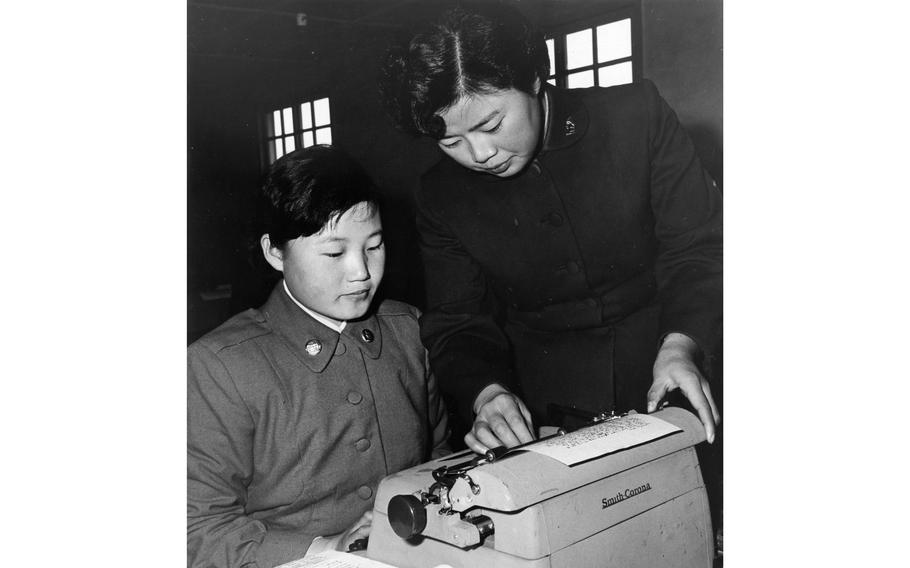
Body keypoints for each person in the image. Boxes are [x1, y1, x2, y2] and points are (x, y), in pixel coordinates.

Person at [378, 3, 722, 455]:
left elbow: (698, 248)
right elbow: (459, 321)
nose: (479, 154)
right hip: (542, 397)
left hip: (673, 354)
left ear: (534, 78)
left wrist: (682, 345)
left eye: (492, 124)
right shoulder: (440, 194)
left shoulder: (636, 118)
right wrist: (488, 393)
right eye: (451, 141)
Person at [187, 145, 450, 567]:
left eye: (375, 246)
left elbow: (439, 459)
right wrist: (325, 548)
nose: (361, 272)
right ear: (275, 252)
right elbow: (195, 528)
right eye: (333, 253)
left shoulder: (409, 330)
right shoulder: (219, 367)